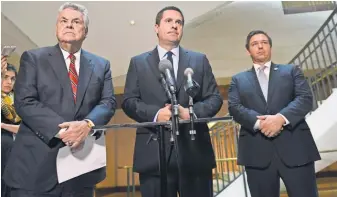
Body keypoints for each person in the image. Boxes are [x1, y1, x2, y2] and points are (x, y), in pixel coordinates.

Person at [3, 2, 116, 197]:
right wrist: (65, 130)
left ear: (85, 30)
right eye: (63, 21)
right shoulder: (33, 58)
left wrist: (87, 124)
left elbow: (108, 103)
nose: (69, 25)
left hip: (81, 171)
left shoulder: (101, 65)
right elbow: (25, 102)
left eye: (76, 21)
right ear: (57, 27)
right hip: (35, 170)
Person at [122, 6, 223, 197]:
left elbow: (215, 98)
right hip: (154, 154)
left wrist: (190, 113)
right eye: (169, 21)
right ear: (156, 27)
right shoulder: (138, 62)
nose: (174, 26)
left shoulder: (199, 60)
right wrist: (156, 114)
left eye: (179, 22)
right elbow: (129, 101)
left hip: (194, 152)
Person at [228, 30, 321, 197]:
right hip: (257, 153)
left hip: (296, 150)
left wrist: (280, 119)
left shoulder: (291, 71)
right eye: (254, 44)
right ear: (248, 50)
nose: (260, 46)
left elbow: (305, 98)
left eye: (264, 42)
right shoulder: (238, 79)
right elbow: (234, 108)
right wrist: (261, 124)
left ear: (270, 47)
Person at [1, 63, 20, 197]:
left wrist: (2, 125)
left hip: (15, 149)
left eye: (12, 79)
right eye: (5, 77)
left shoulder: (19, 101)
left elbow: (24, 128)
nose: (9, 82)